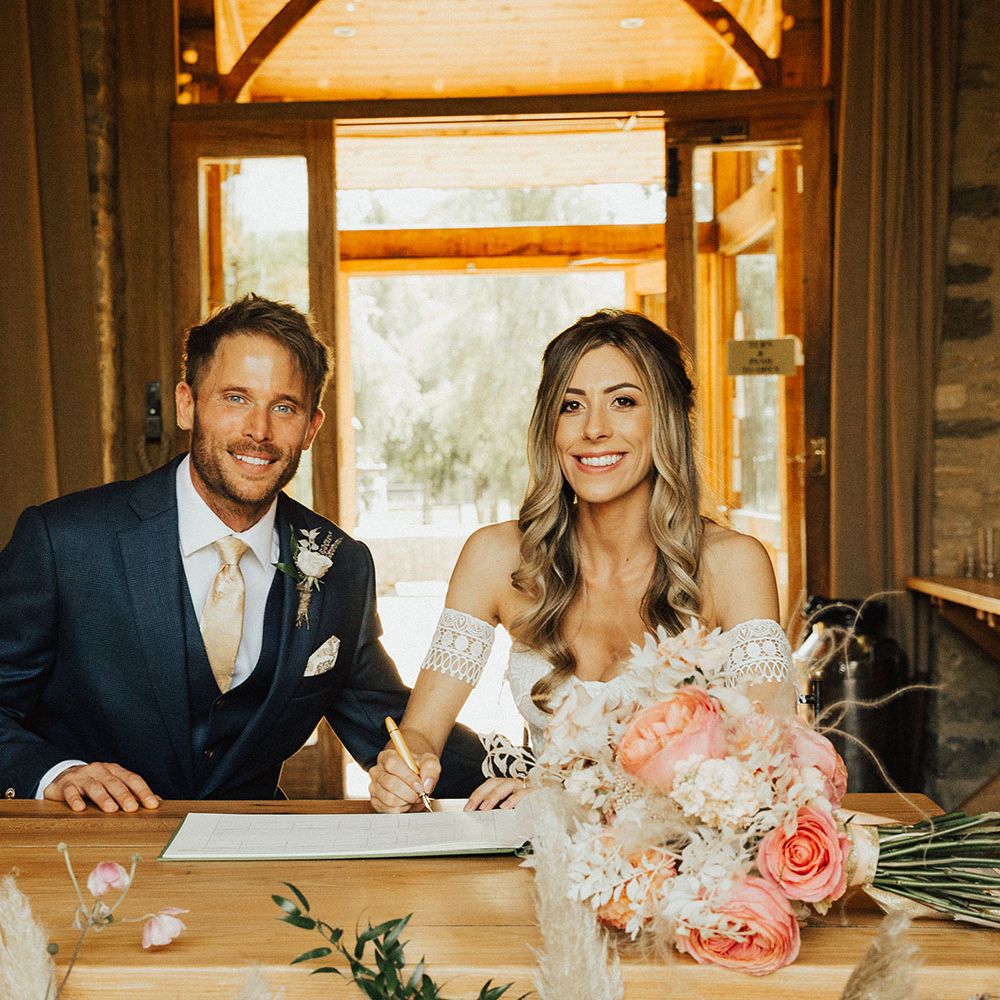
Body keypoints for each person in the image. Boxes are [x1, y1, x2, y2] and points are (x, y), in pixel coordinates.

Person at [0, 294, 484, 811]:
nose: (259, 430)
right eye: (235, 398)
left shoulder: (340, 564)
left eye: (284, 407)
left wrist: (528, 780)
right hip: (88, 864)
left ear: (311, 427)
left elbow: (394, 727)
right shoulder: (65, 542)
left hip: (251, 865)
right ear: (187, 405)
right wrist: (55, 773)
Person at [369, 309, 795, 814]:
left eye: (623, 401)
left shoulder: (733, 565)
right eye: (572, 405)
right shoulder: (496, 558)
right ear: (551, 425)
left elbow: (775, 765)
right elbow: (419, 732)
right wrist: (405, 765)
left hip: (685, 871)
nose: (594, 429)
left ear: (668, 419)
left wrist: (567, 798)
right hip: (532, 860)